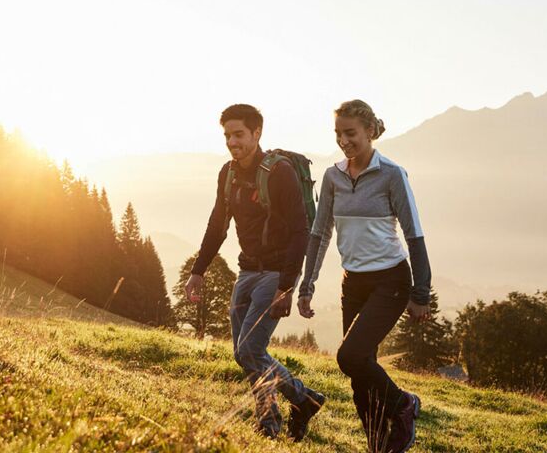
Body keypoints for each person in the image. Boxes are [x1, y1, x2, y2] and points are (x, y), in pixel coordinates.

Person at [298, 99, 432, 453]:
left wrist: (421, 294)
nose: (343, 140)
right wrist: (306, 286)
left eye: (351, 133)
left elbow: (414, 234)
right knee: (360, 373)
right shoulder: (333, 177)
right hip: (352, 282)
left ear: (370, 131)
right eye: (338, 133)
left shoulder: (392, 174)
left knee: (349, 357)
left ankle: (404, 405)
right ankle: (379, 444)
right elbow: (320, 233)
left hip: (390, 280)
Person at [185, 103, 325, 440]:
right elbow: (218, 224)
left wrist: (287, 286)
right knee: (246, 354)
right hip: (246, 272)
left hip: (275, 274)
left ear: (256, 133)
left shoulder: (279, 173)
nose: (232, 142)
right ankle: (272, 421)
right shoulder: (228, 173)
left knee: (249, 351)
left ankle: (300, 399)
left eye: (239, 135)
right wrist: (198, 270)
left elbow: (299, 231)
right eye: (227, 135)